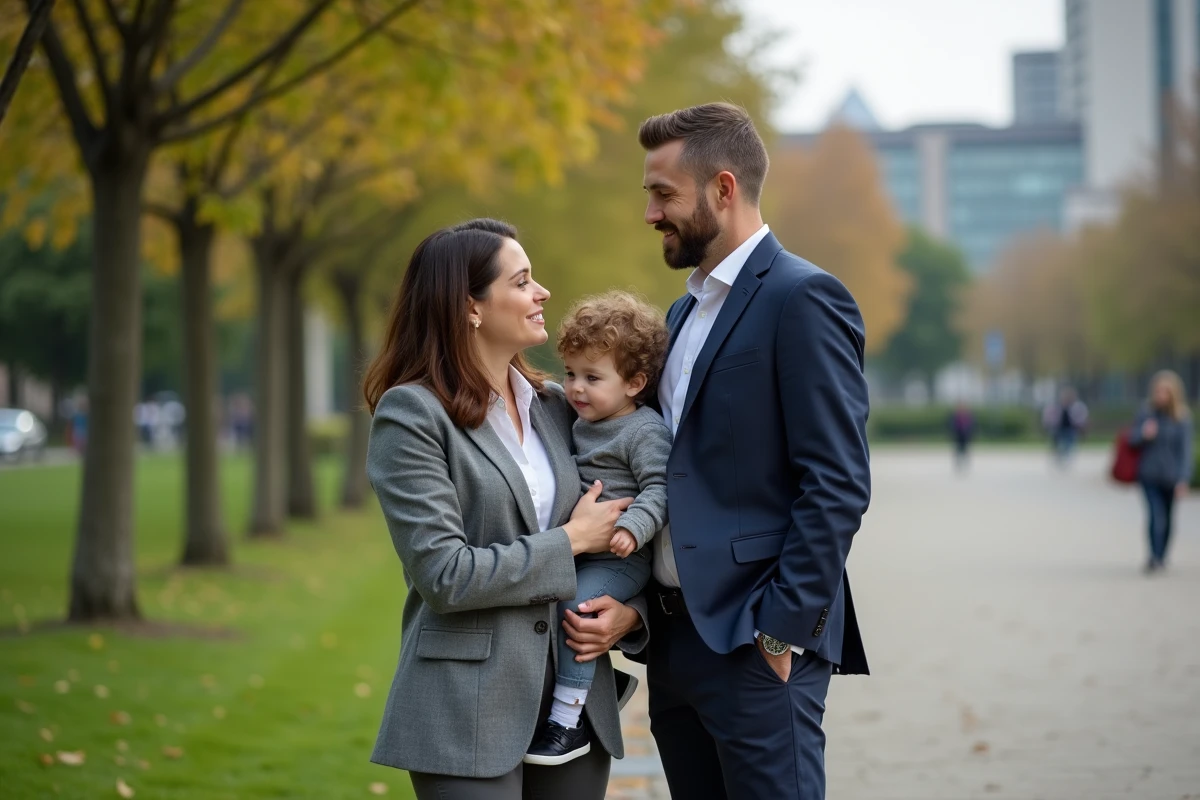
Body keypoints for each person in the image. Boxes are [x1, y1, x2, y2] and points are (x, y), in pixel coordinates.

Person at [362, 219, 647, 799]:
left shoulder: (557, 405)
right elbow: (445, 575)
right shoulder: (412, 416)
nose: (542, 292)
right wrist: (571, 540)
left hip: (573, 703)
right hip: (465, 706)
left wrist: (630, 614)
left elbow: (634, 508)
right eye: (521, 281)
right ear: (470, 307)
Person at [635, 103, 872, 800]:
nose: (650, 214)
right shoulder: (682, 312)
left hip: (757, 644)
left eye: (663, 194)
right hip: (676, 646)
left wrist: (782, 630)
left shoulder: (804, 297)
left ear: (723, 189)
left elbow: (837, 481)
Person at [524, 291, 671, 766]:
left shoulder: (643, 431)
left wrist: (633, 526)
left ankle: (566, 721)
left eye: (592, 377)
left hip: (620, 557)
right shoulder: (581, 419)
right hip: (581, 549)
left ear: (635, 383)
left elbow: (661, 486)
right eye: (570, 374)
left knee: (579, 608)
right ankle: (607, 684)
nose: (576, 389)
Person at [1128, 370, 1193, 573]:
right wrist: (1144, 434)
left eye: (1165, 392)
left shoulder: (1182, 418)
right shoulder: (1146, 413)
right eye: (1158, 391)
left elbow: (1185, 451)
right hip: (1149, 474)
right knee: (1155, 516)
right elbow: (1131, 441)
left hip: (1171, 476)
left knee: (1168, 518)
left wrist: (1183, 478)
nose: (1160, 396)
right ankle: (1154, 556)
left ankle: (1163, 554)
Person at [1043, 387, 1088, 466]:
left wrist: (1082, 426)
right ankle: (1059, 456)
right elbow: (1049, 416)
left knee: (1069, 443)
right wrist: (1048, 424)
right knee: (1057, 443)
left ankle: (1066, 457)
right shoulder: (1056, 406)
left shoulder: (1077, 406)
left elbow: (1081, 417)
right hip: (1058, 427)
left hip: (1071, 428)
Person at [949, 401, 976, 473]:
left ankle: (965, 463)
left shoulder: (968, 415)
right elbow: (952, 425)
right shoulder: (955, 415)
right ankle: (958, 464)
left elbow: (972, 425)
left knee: (965, 450)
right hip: (958, 435)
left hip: (966, 435)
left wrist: (970, 433)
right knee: (958, 450)